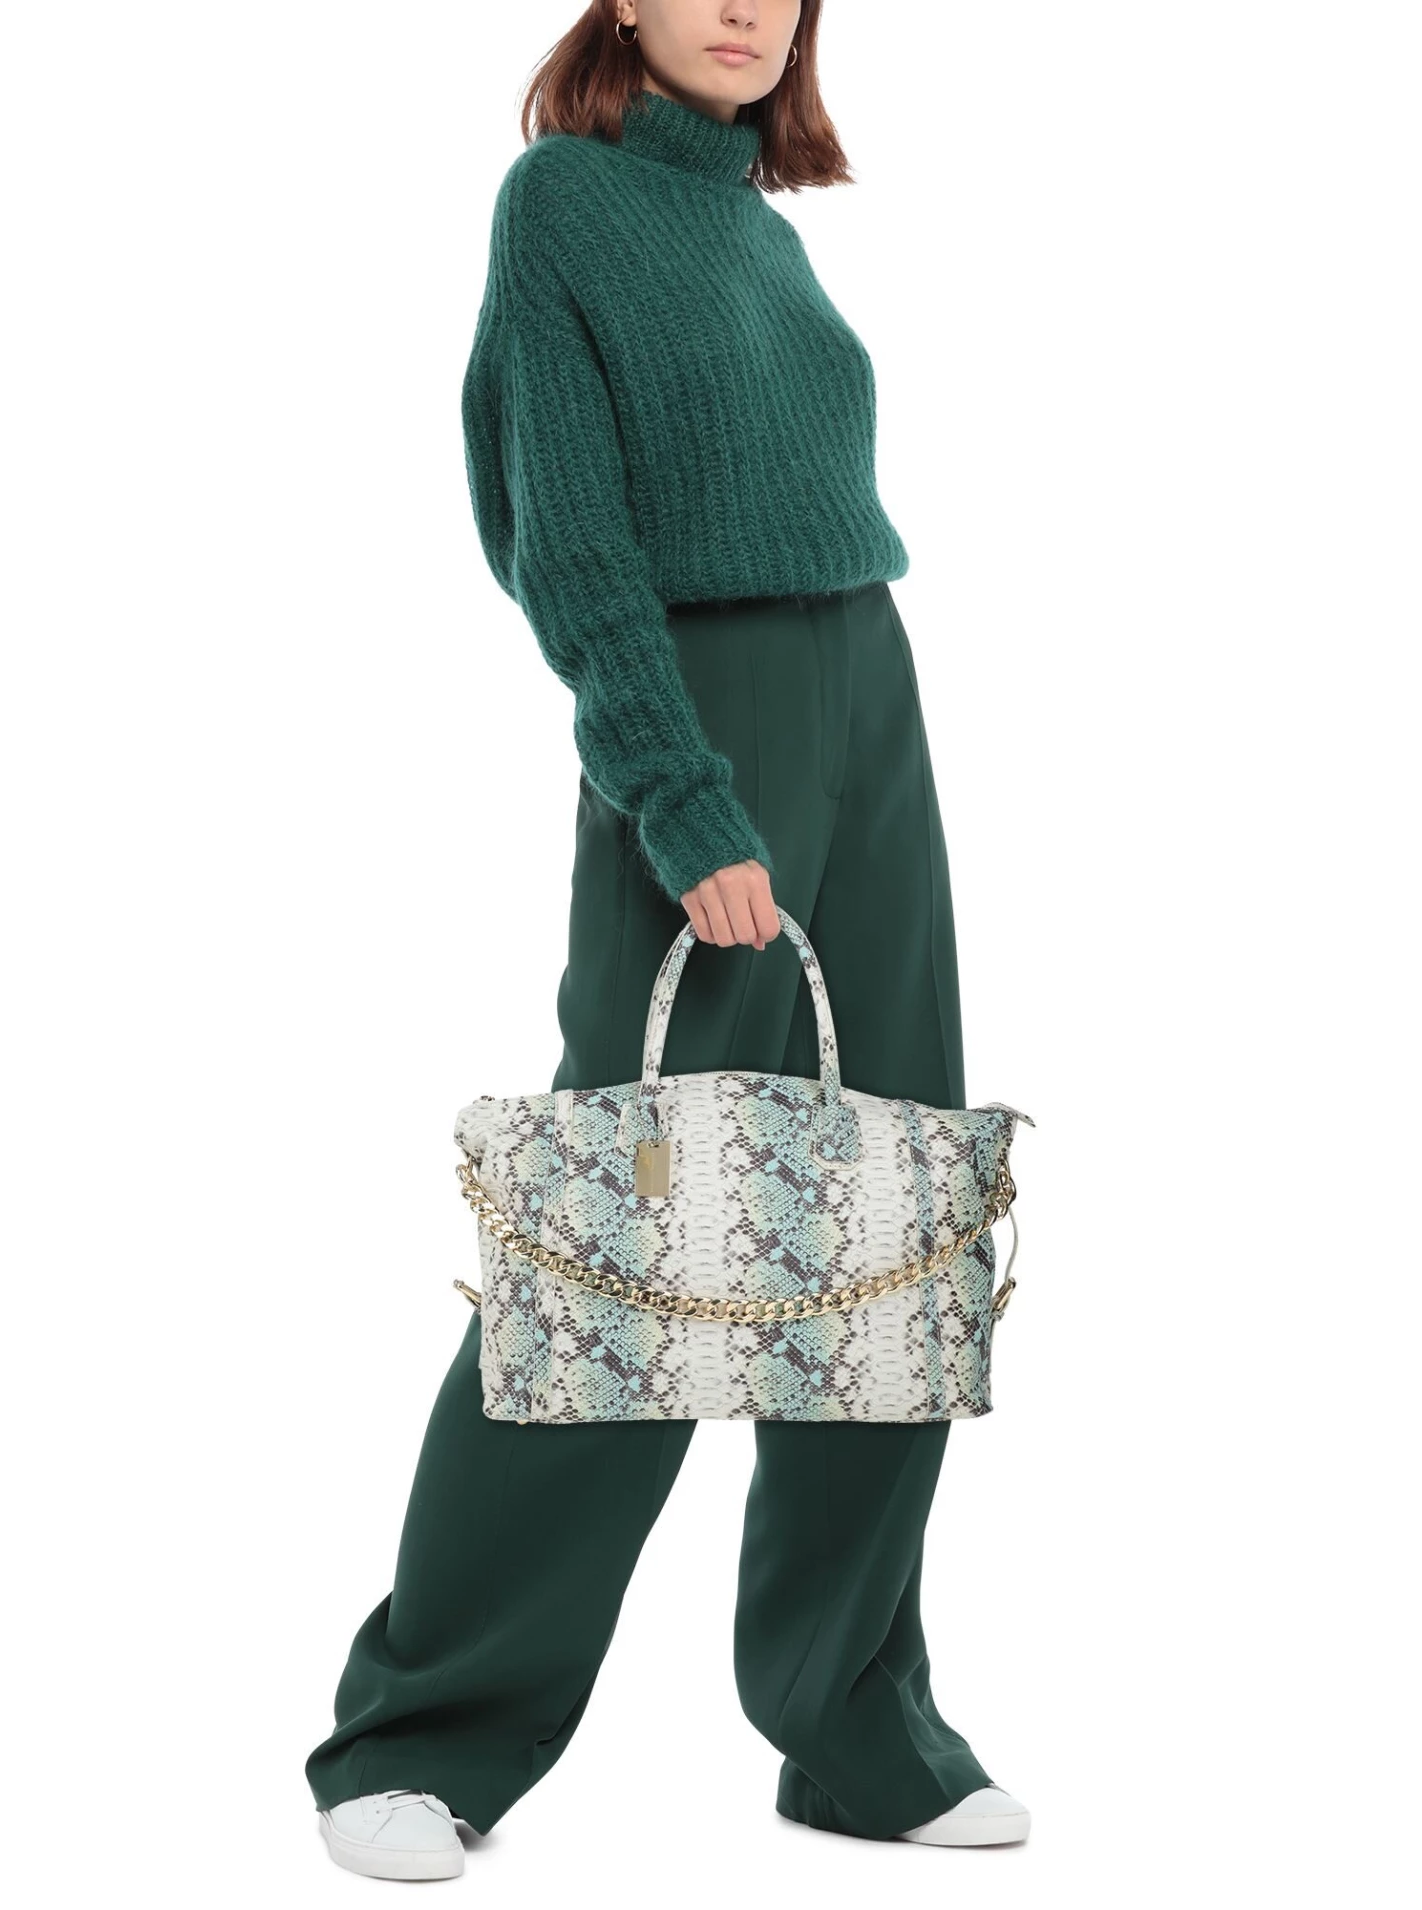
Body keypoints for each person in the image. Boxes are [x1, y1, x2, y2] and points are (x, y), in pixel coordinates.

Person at [305, 2, 1029, 1880]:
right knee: (620, 1238)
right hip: (711, 725)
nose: (745, 5)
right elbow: (563, 535)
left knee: (889, 1218)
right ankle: (426, 1730)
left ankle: (855, 1721)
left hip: (870, 698)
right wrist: (683, 795)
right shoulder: (564, 203)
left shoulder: (762, 228)